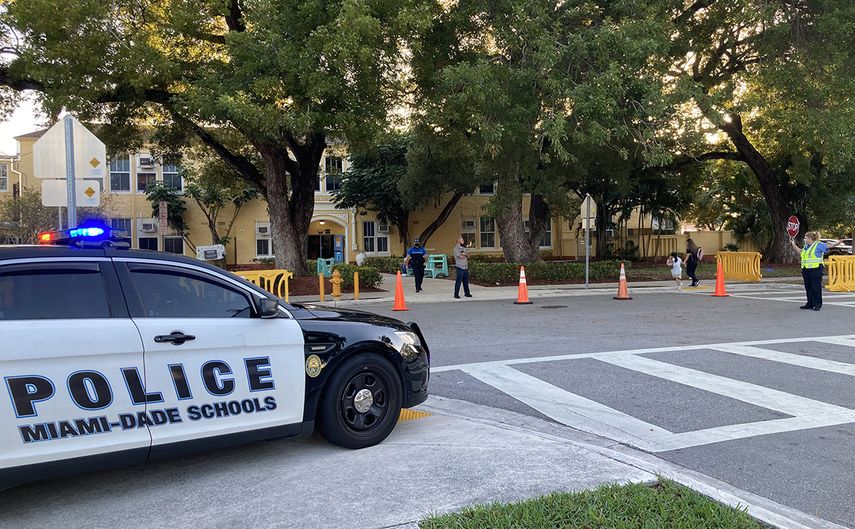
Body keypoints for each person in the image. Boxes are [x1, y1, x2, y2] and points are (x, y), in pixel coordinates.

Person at [791, 231, 844, 311]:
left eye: (806, 238)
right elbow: (801, 252)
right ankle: (810, 303)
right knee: (808, 287)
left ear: (810, 238)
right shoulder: (806, 246)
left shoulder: (818, 245)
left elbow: (828, 246)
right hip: (806, 269)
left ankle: (817, 304)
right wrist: (793, 245)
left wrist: (837, 243)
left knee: (815, 287)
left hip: (816, 269)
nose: (805, 240)